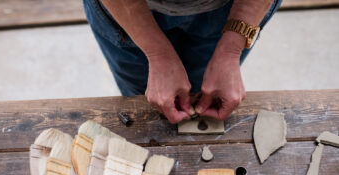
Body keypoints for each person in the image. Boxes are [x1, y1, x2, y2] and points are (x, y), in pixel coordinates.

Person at [83, 0, 282, 123]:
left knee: (201, 92)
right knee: (146, 102)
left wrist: (230, 50)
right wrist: (157, 54)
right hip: (126, 9)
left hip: (229, 10)